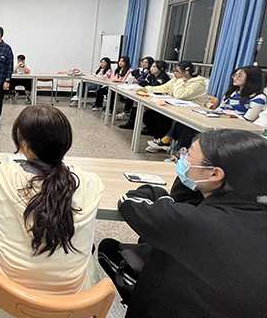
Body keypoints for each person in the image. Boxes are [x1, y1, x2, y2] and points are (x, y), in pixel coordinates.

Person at [99, 130, 267, 317]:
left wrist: (160, 194)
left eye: (189, 154)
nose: (182, 157)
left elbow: (129, 202)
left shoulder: (196, 222)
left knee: (112, 248)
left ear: (215, 173)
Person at [0, 105, 104, 318]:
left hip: (6, 303)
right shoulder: (90, 184)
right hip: (70, 306)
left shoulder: (2, 177)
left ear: (23, 145)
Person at [147, 65, 266, 154]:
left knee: (190, 127)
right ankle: (175, 148)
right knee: (189, 121)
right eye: (234, 75)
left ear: (251, 79)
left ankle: (173, 148)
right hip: (220, 120)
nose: (235, 78)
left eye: (239, 75)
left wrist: (223, 118)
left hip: (233, 127)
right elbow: (220, 109)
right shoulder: (233, 93)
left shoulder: (259, 98)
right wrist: (210, 115)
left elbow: (246, 121)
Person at [140, 61, 211, 140]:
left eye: (177, 71)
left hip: (192, 111)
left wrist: (180, 80)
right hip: (178, 107)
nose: (174, 73)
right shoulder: (176, 80)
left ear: (186, 72)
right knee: (149, 113)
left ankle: (162, 140)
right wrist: (147, 89)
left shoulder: (197, 84)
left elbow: (179, 95)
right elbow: (164, 88)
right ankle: (159, 136)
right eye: (174, 71)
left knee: (164, 116)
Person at [119, 60, 170, 130]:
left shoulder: (163, 76)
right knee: (136, 102)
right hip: (152, 96)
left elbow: (154, 85)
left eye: (154, 67)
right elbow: (142, 83)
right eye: (151, 66)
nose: (151, 68)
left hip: (162, 99)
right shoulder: (151, 75)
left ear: (161, 68)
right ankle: (131, 123)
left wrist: (147, 85)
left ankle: (149, 128)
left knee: (142, 107)